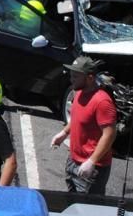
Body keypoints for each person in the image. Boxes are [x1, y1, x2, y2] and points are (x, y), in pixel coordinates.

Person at [50, 56, 117, 195]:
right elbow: (77, 118)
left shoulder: (102, 102)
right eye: (71, 75)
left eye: (75, 76)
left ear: (90, 78)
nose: (71, 79)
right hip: (73, 160)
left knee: (88, 211)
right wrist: (64, 133)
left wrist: (91, 161)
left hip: (92, 168)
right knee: (72, 203)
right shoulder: (79, 92)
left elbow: (109, 134)